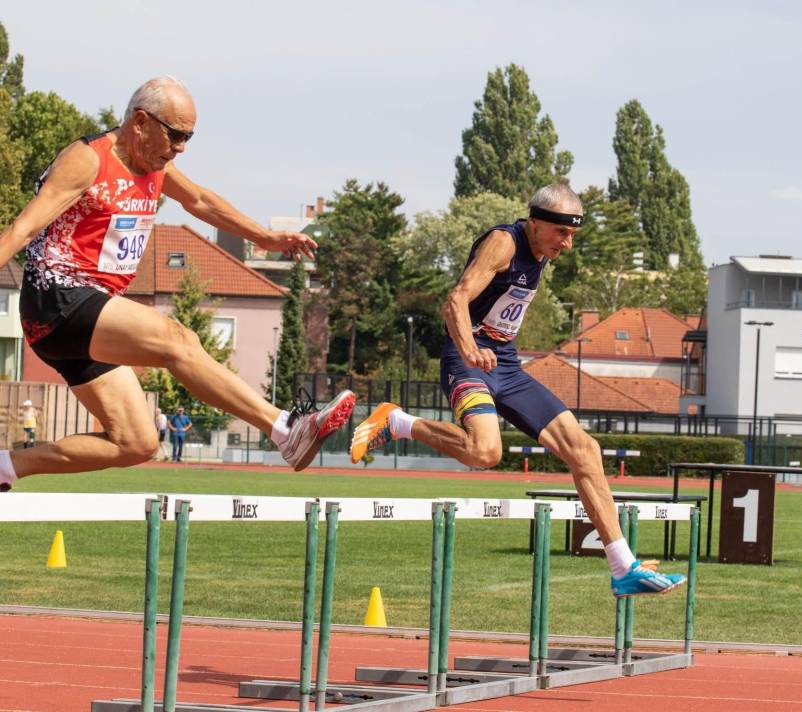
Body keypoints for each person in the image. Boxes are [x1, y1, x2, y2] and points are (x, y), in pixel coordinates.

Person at [0, 76, 353, 493]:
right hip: (56, 298)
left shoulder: (156, 168)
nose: (180, 148)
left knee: (136, 442)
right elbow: (22, 228)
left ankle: (7, 466)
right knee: (177, 339)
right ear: (140, 122)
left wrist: (264, 238)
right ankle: (285, 430)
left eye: (189, 138)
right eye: (177, 135)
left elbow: (200, 201)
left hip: (90, 312)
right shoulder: (88, 160)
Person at [350, 184, 685, 598]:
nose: (567, 245)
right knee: (485, 452)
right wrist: (470, 349)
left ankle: (622, 567)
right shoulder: (503, 243)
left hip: (506, 366)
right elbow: (455, 300)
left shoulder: (539, 254)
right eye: (562, 235)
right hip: (467, 360)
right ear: (537, 222)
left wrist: (492, 348)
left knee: (585, 450)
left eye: (573, 237)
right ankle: (398, 421)